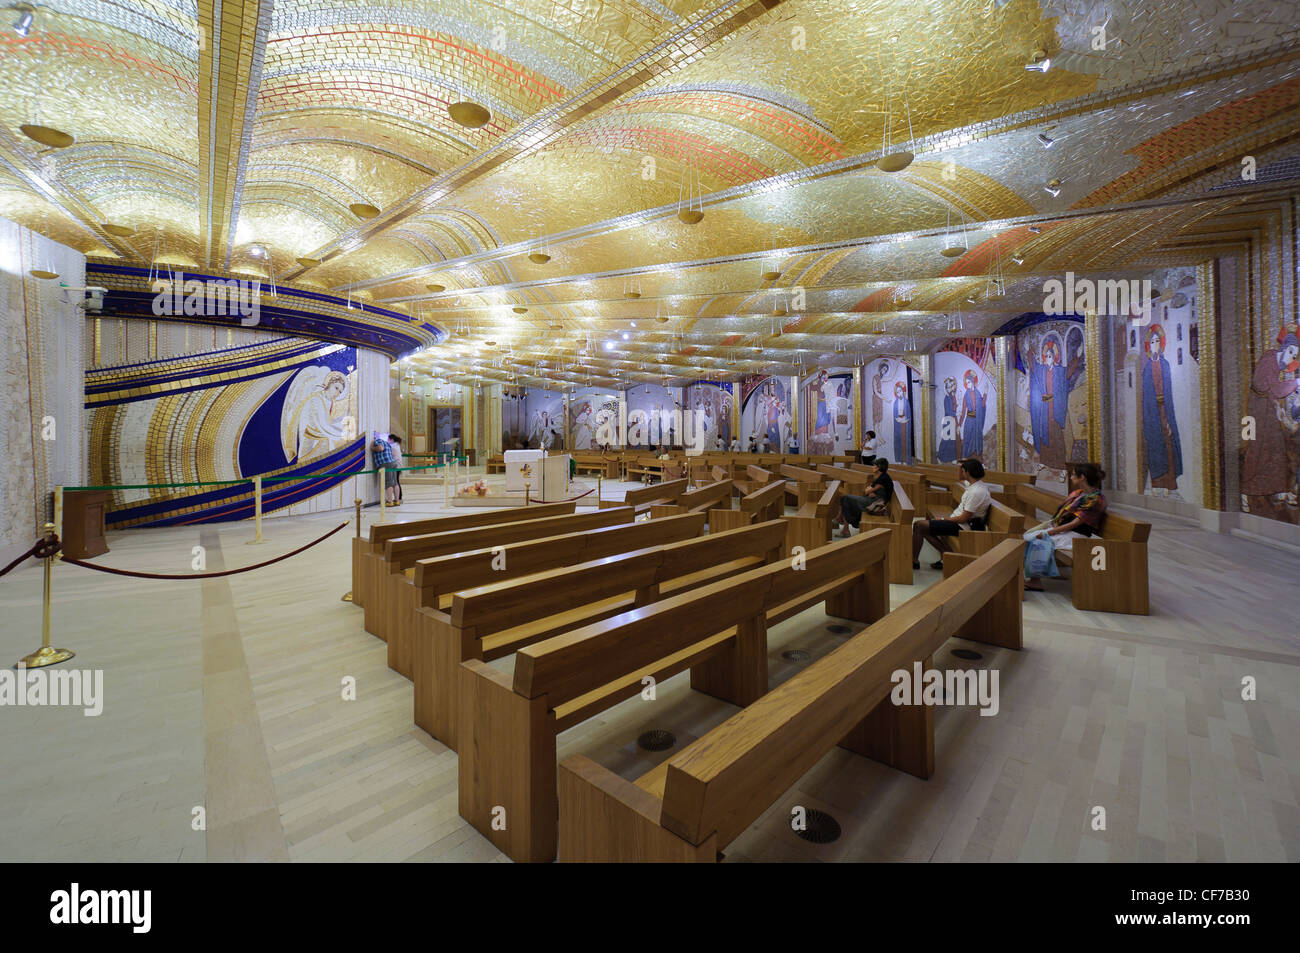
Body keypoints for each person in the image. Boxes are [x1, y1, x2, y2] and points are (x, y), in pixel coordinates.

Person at [1024, 463, 1108, 591]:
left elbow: (1074, 524)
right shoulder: (1079, 494)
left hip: (1076, 535)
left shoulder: (1095, 500)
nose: (1071, 477)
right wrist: (1049, 529)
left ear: (1082, 477)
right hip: (1065, 532)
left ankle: (1035, 581)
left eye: (1073, 475)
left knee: (1038, 540)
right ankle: (1036, 575)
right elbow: (1063, 516)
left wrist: (1048, 533)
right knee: (1027, 537)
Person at [911, 458, 991, 569]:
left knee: (919, 526)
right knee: (921, 527)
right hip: (959, 522)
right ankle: (947, 555)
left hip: (964, 526)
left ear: (967, 472)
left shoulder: (976, 492)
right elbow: (960, 479)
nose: (961, 472)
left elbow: (963, 519)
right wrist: (962, 465)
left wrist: (943, 519)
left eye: (963, 471)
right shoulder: (975, 485)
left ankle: (918, 560)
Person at [834, 458, 894, 538]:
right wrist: (872, 492)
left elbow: (866, 491)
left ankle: (842, 523)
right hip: (876, 502)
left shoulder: (882, 479)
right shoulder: (884, 477)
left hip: (875, 504)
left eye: (874, 465)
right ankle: (842, 524)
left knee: (846, 498)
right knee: (846, 500)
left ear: (878, 467)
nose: (872, 467)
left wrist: (871, 492)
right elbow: (870, 489)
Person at [371, 432, 399, 506]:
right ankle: (397, 500)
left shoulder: (377, 440)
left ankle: (389, 501)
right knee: (395, 482)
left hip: (386, 463)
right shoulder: (387, 443)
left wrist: (373, 448)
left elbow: (381, 448)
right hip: (393, 462)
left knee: (388, 483)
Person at [388, 434, 403, 505]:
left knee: (396, 482)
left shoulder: (393, 447)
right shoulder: (397, 445)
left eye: (388, 439)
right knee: (397, 481)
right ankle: (399, 497)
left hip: (396, 466)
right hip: (398, 466)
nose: (388, 441)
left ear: (392, 440)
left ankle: (399, 498)